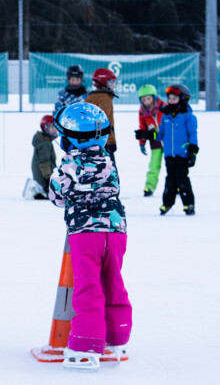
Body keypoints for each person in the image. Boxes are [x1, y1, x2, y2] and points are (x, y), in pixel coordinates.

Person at [50, 102, 131, 373]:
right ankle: (117, 337)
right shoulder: (109, 161)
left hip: (86, 235)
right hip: (117, 231)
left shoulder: (69, 164)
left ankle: (86, 345)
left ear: (69, 138)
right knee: (114, 283)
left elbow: (57, 196)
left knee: (88, 289)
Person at [137, 84, 198, 216]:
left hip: (182, 154)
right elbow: (160, 135)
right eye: (169, 98)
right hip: (169, 154)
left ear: (183, 99)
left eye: (174, 98)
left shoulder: (188, 117)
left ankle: (189, 204)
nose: (170, 100)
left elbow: (193, 134)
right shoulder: (165, 116)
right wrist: (146, 135)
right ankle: (167, 203)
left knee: (182, 179)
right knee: (170, 180)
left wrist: (192, 152)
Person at [136, 84, 166, 197]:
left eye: (148, 98)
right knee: (154, 165)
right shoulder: (142, 113)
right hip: (155, 142)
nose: (146, 102)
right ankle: (149, 186)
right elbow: (142, 128)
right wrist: (142, 143)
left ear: (154, 97)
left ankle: (177, 186)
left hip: (168, 141)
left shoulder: (164, 108)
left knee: (172, 166)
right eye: (143, 100)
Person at [85, 68, 118, 164]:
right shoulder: (105, 98)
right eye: (111, 82)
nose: (114, 85)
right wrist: (111, 142)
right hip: (104, 141)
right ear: (104, 82)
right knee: (110, 170)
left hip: (92, 140)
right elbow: (103, 123)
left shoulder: (91, 97)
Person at [30, 115, 58, 200]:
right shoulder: (45, 143)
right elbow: (44, 163)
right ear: (44, 128)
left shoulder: (45, 141)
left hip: (43, 176)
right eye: (51, 127)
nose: (54, 130)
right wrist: (48, 179)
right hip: (43, 178)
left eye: (55, 127)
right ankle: (40, 192)